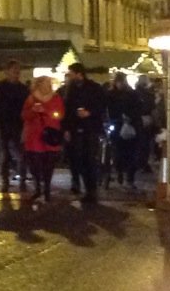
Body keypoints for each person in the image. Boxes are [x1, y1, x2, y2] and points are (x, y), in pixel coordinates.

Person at [62, 63, 107, 204]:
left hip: (91, 128)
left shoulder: (94, 88)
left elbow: (101, 105)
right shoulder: (71, 89)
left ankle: (91, 190)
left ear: (78, 73)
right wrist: (67, 128)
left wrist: (89, 112)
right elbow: (67, 109)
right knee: (78, 158)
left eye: (71, 73)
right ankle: (81, 184)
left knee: (90, 159)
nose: (69, 76)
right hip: (76, 128)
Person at [21, 76, 65, 203]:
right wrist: (33, 111)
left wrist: (46, 110)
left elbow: (60, 114)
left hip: (50, 135)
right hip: (34, 136)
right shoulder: (31, 98)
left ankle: (46, 189)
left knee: (49, 165)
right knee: (35, 164)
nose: (48, 86)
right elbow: (24, 115)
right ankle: (38, 187)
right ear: (39, 85)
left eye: (49, 84)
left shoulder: (56, 98)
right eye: (45, 83)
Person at [0, 59, 28, 194]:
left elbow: (26, 108)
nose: (16, 73)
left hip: (18, 124)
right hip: (3, 124)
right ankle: (5, 181)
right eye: (14, 71)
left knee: (21, 154)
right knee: (4, 153)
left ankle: (22, 179)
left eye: (18, 71)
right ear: (6, 72)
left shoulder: (23, 89)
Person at [106, 72, 141, 189]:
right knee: (120, 152)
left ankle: (128, 176)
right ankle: (122, 173)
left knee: (128, 153)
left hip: (127, 126)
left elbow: (137, 109)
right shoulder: (113, 94)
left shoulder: (130, 94)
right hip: (119, 125)